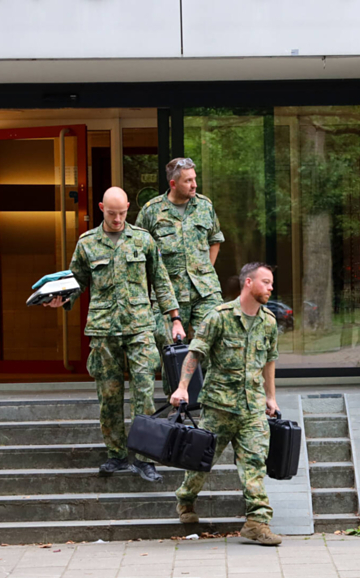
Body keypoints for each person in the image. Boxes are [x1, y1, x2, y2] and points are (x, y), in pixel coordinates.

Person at [45, 187, 185, 482]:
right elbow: (76, 281)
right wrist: (62, 299)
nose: (118, 218)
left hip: (140, 328)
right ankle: (116, 455)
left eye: (122, 213)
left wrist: (175, 319)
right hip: (104, 329)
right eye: (112, 213)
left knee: (144, 396)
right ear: (101, 208)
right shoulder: (87, 243)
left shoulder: (143, 240)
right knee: (108, 397)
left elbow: (161, 281)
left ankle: (145, 459)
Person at [169, 262, 283, 545]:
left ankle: (257, 522)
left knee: (255, 463)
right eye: (266, 282)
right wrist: (182, 387)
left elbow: (269, 360)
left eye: (271, 283)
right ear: (248, 283)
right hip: (218, 407)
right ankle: (186, 498)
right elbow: (195, 353)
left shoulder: (269, 321)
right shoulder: (219, 317)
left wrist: (270, 397)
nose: (271, 287)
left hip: (252, 409)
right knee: (200, 463)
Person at [135, 157, 225, 349]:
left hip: (205, 292)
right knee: (172, 353)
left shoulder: (205, 206)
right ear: (173, 184)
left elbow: (215, 239)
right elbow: (138, 252)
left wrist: (205, 270)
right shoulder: (152, 211)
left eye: (195, 178)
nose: (195, 185)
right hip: (170, 296)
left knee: (212, 345)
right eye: (188, 180)